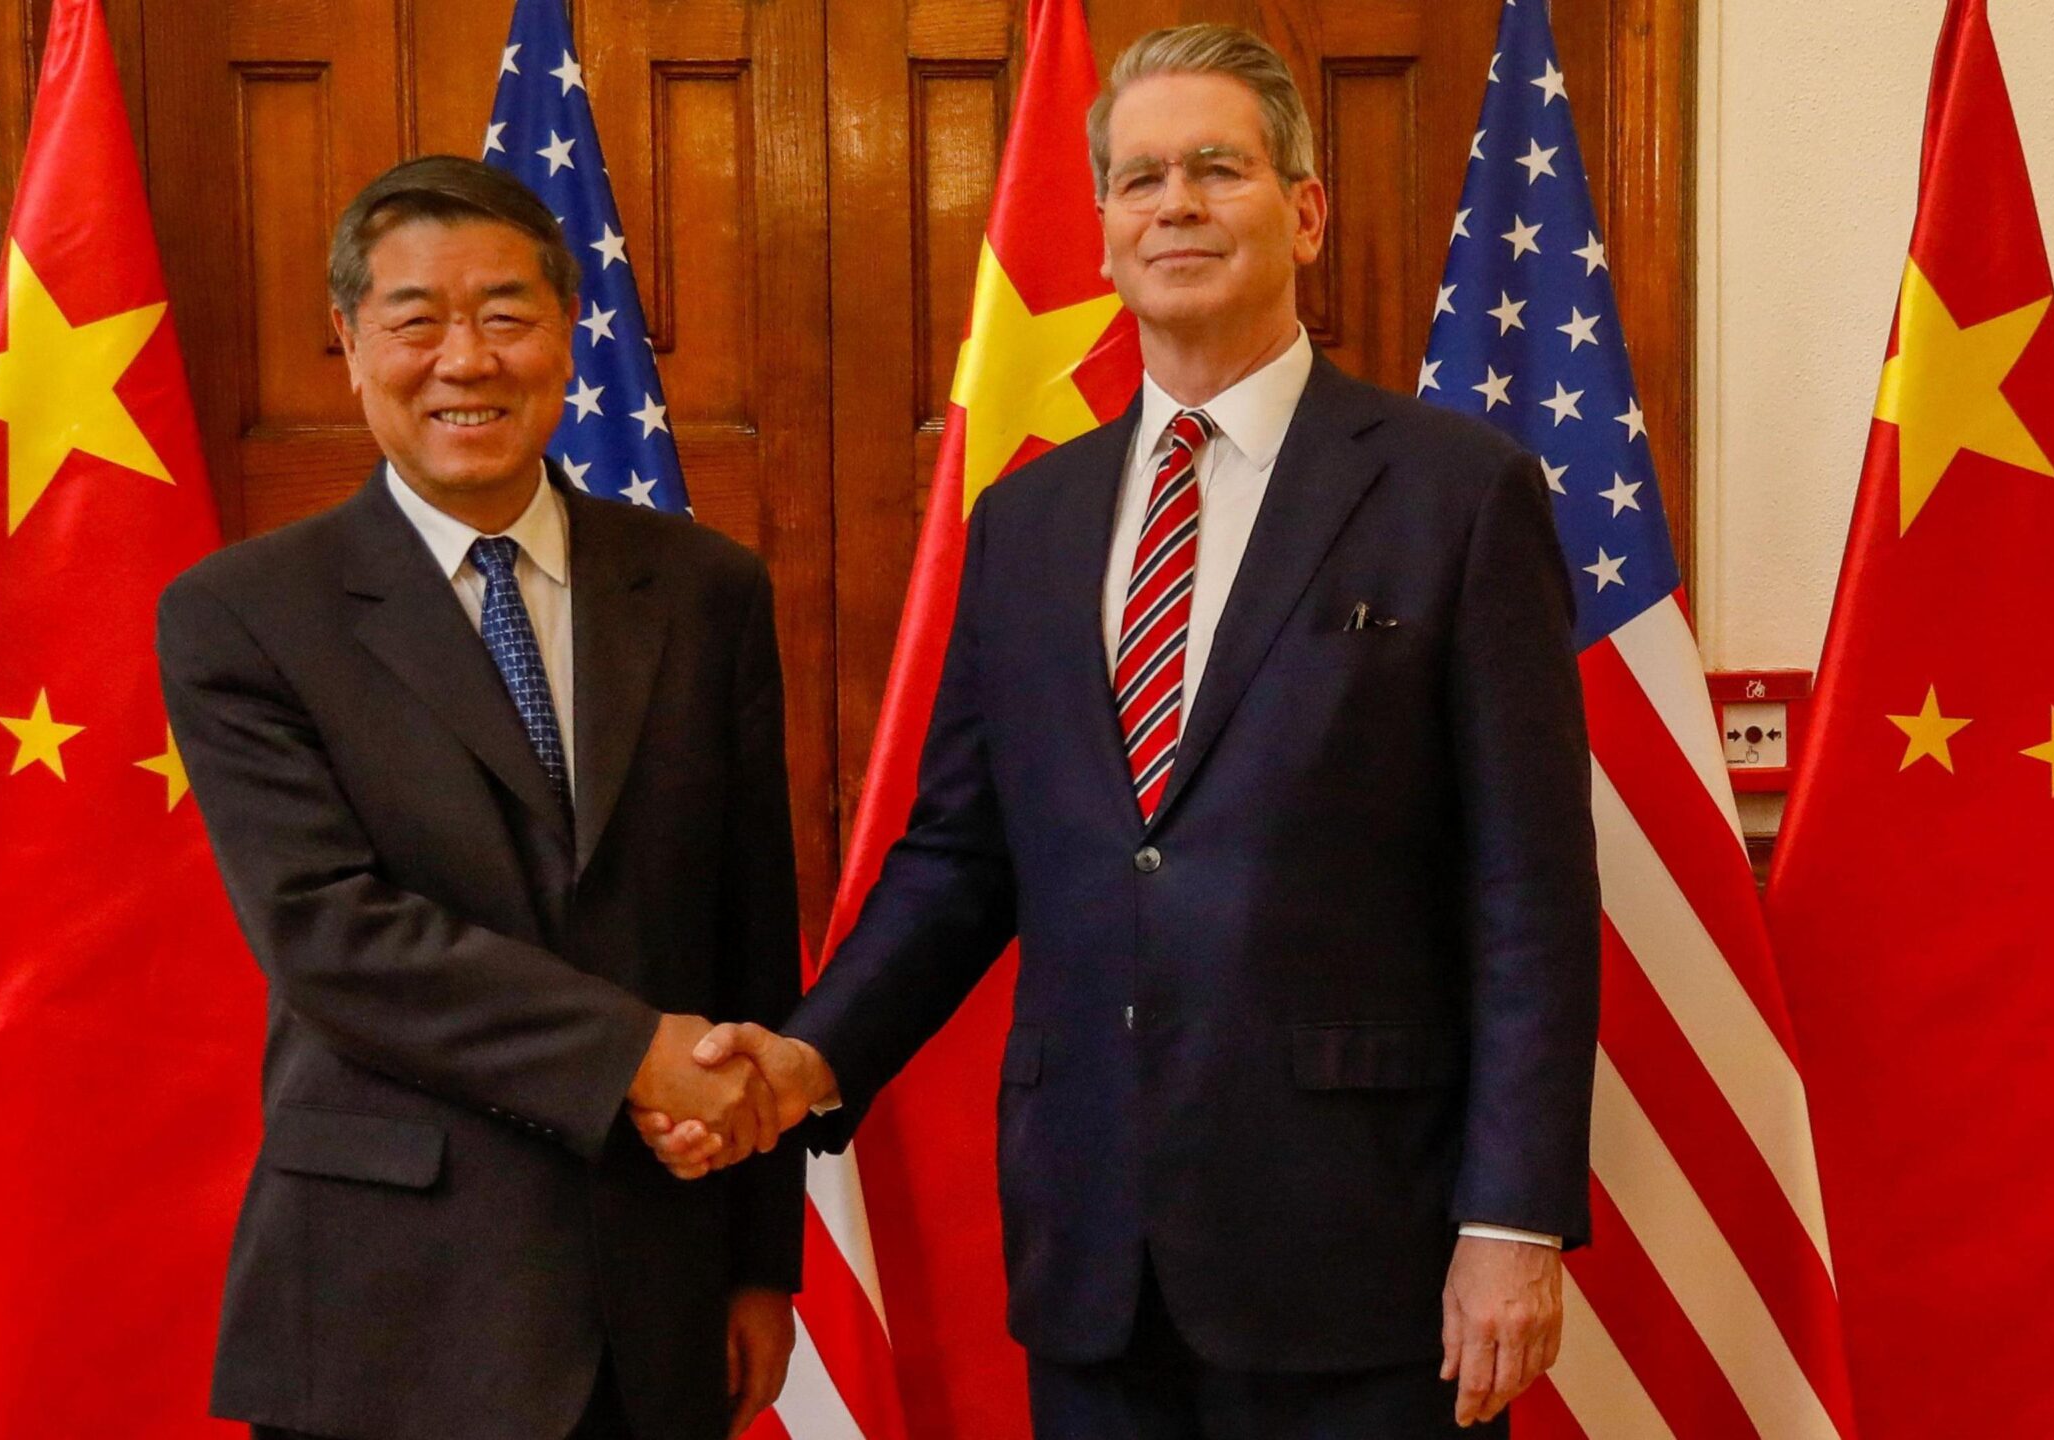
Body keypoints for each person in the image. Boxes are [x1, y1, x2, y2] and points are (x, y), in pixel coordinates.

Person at [644, 24, 1598, 1438]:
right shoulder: (1026, 522)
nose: (1177, 204)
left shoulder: (1455, 495)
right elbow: (961, 858)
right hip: (1097, 1255)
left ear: (1306, 211)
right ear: (1101, 234)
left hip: (1367, 1257)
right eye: (1141, 179)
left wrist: (1513, 1218)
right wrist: (804, 1060)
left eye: (1219, 167)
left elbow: (1529, 889)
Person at [157, 154, 803, 1440]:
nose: (466, 359)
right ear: (349, 342)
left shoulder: (703, 589)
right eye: (416, 320)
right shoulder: (244, 615)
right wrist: (629, 1052)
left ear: (569, 335)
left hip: (656, 1294)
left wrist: (757, 1259)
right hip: (390, 1307)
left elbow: (750, 932)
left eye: (507, 315)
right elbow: (331, 936)